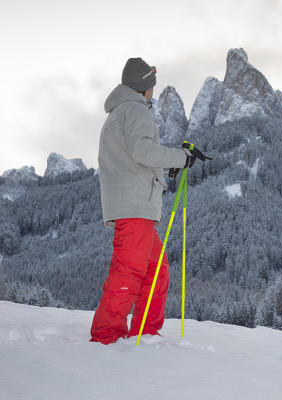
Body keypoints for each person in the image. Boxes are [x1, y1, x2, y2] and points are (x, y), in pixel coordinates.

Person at [90, 57, 209, 344]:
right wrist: (181, 158)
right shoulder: (135, 110)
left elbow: (132, 157)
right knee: (129, 272)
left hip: (132, 204)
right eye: (151, 83)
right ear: (145, 85)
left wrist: (162, 166)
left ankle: (146, 332)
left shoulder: (120, 112)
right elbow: (143, 151)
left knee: (157, 270)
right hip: (135, 207)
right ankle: (106, 336)